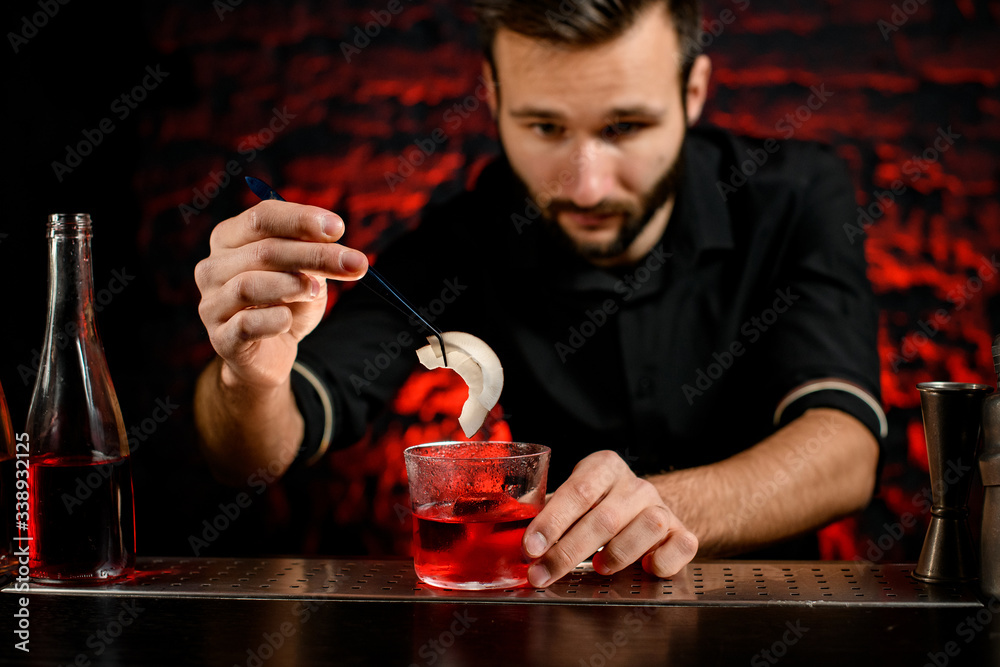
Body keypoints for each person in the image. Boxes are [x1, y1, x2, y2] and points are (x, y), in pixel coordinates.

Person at [194, 0, 885, 588]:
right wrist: (248, 377)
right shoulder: (465, 237)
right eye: (545, 127)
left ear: (693, 92)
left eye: (625, 128)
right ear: (494, 97)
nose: (585, 185)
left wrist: (661, 506)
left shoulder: (793, 197)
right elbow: (255, 452)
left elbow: (845, 450)